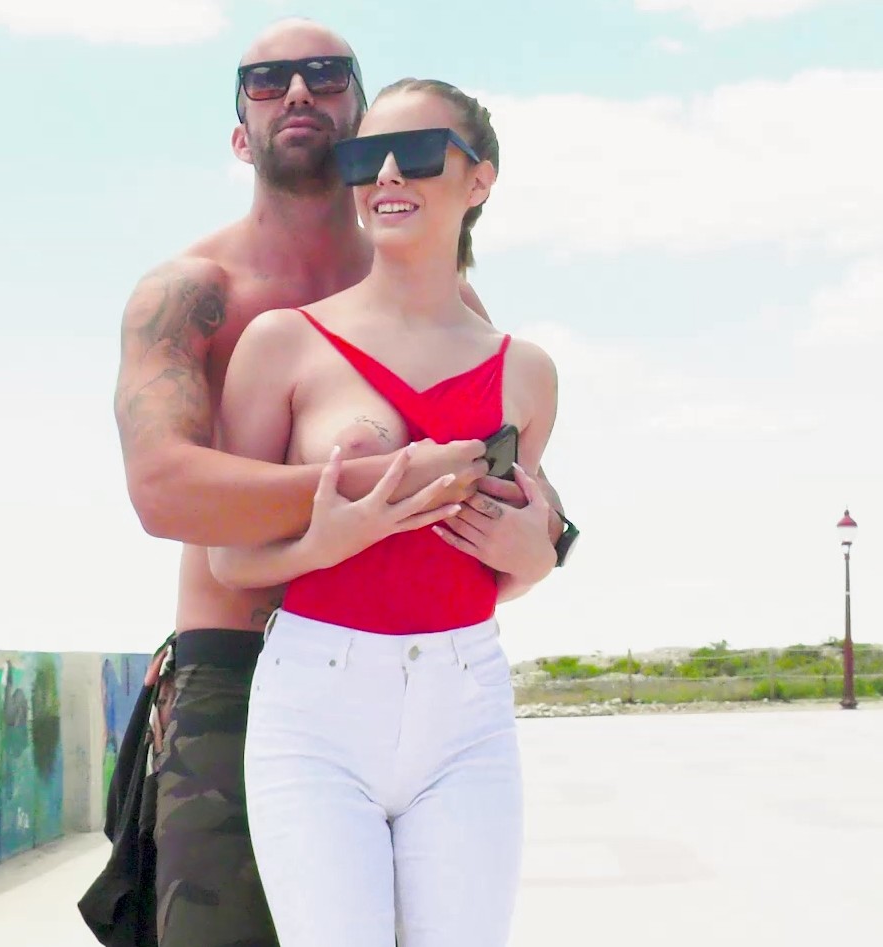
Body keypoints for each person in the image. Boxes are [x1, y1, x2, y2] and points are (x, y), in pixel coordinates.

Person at [79, 17, 580, 947]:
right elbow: (162, 488)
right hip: (233, 669)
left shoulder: (443, 298)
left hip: (427, 675)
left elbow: (512, 482)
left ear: (363, 125)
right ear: (240, 135)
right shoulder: (195, 292)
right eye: (267, 82)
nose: (299, 92)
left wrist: (547, 544)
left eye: (324, 74)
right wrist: (388, 486)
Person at [207, 78, 555, 947]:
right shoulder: (282, 342)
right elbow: (228, 560)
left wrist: (536, 562)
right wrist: (327, 541)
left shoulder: (526, 372)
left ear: (479, 179)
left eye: (422, 152)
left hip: (466, 703)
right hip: (315, 706)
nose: (388, 173)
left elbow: (505, 551)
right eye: (366, 156)